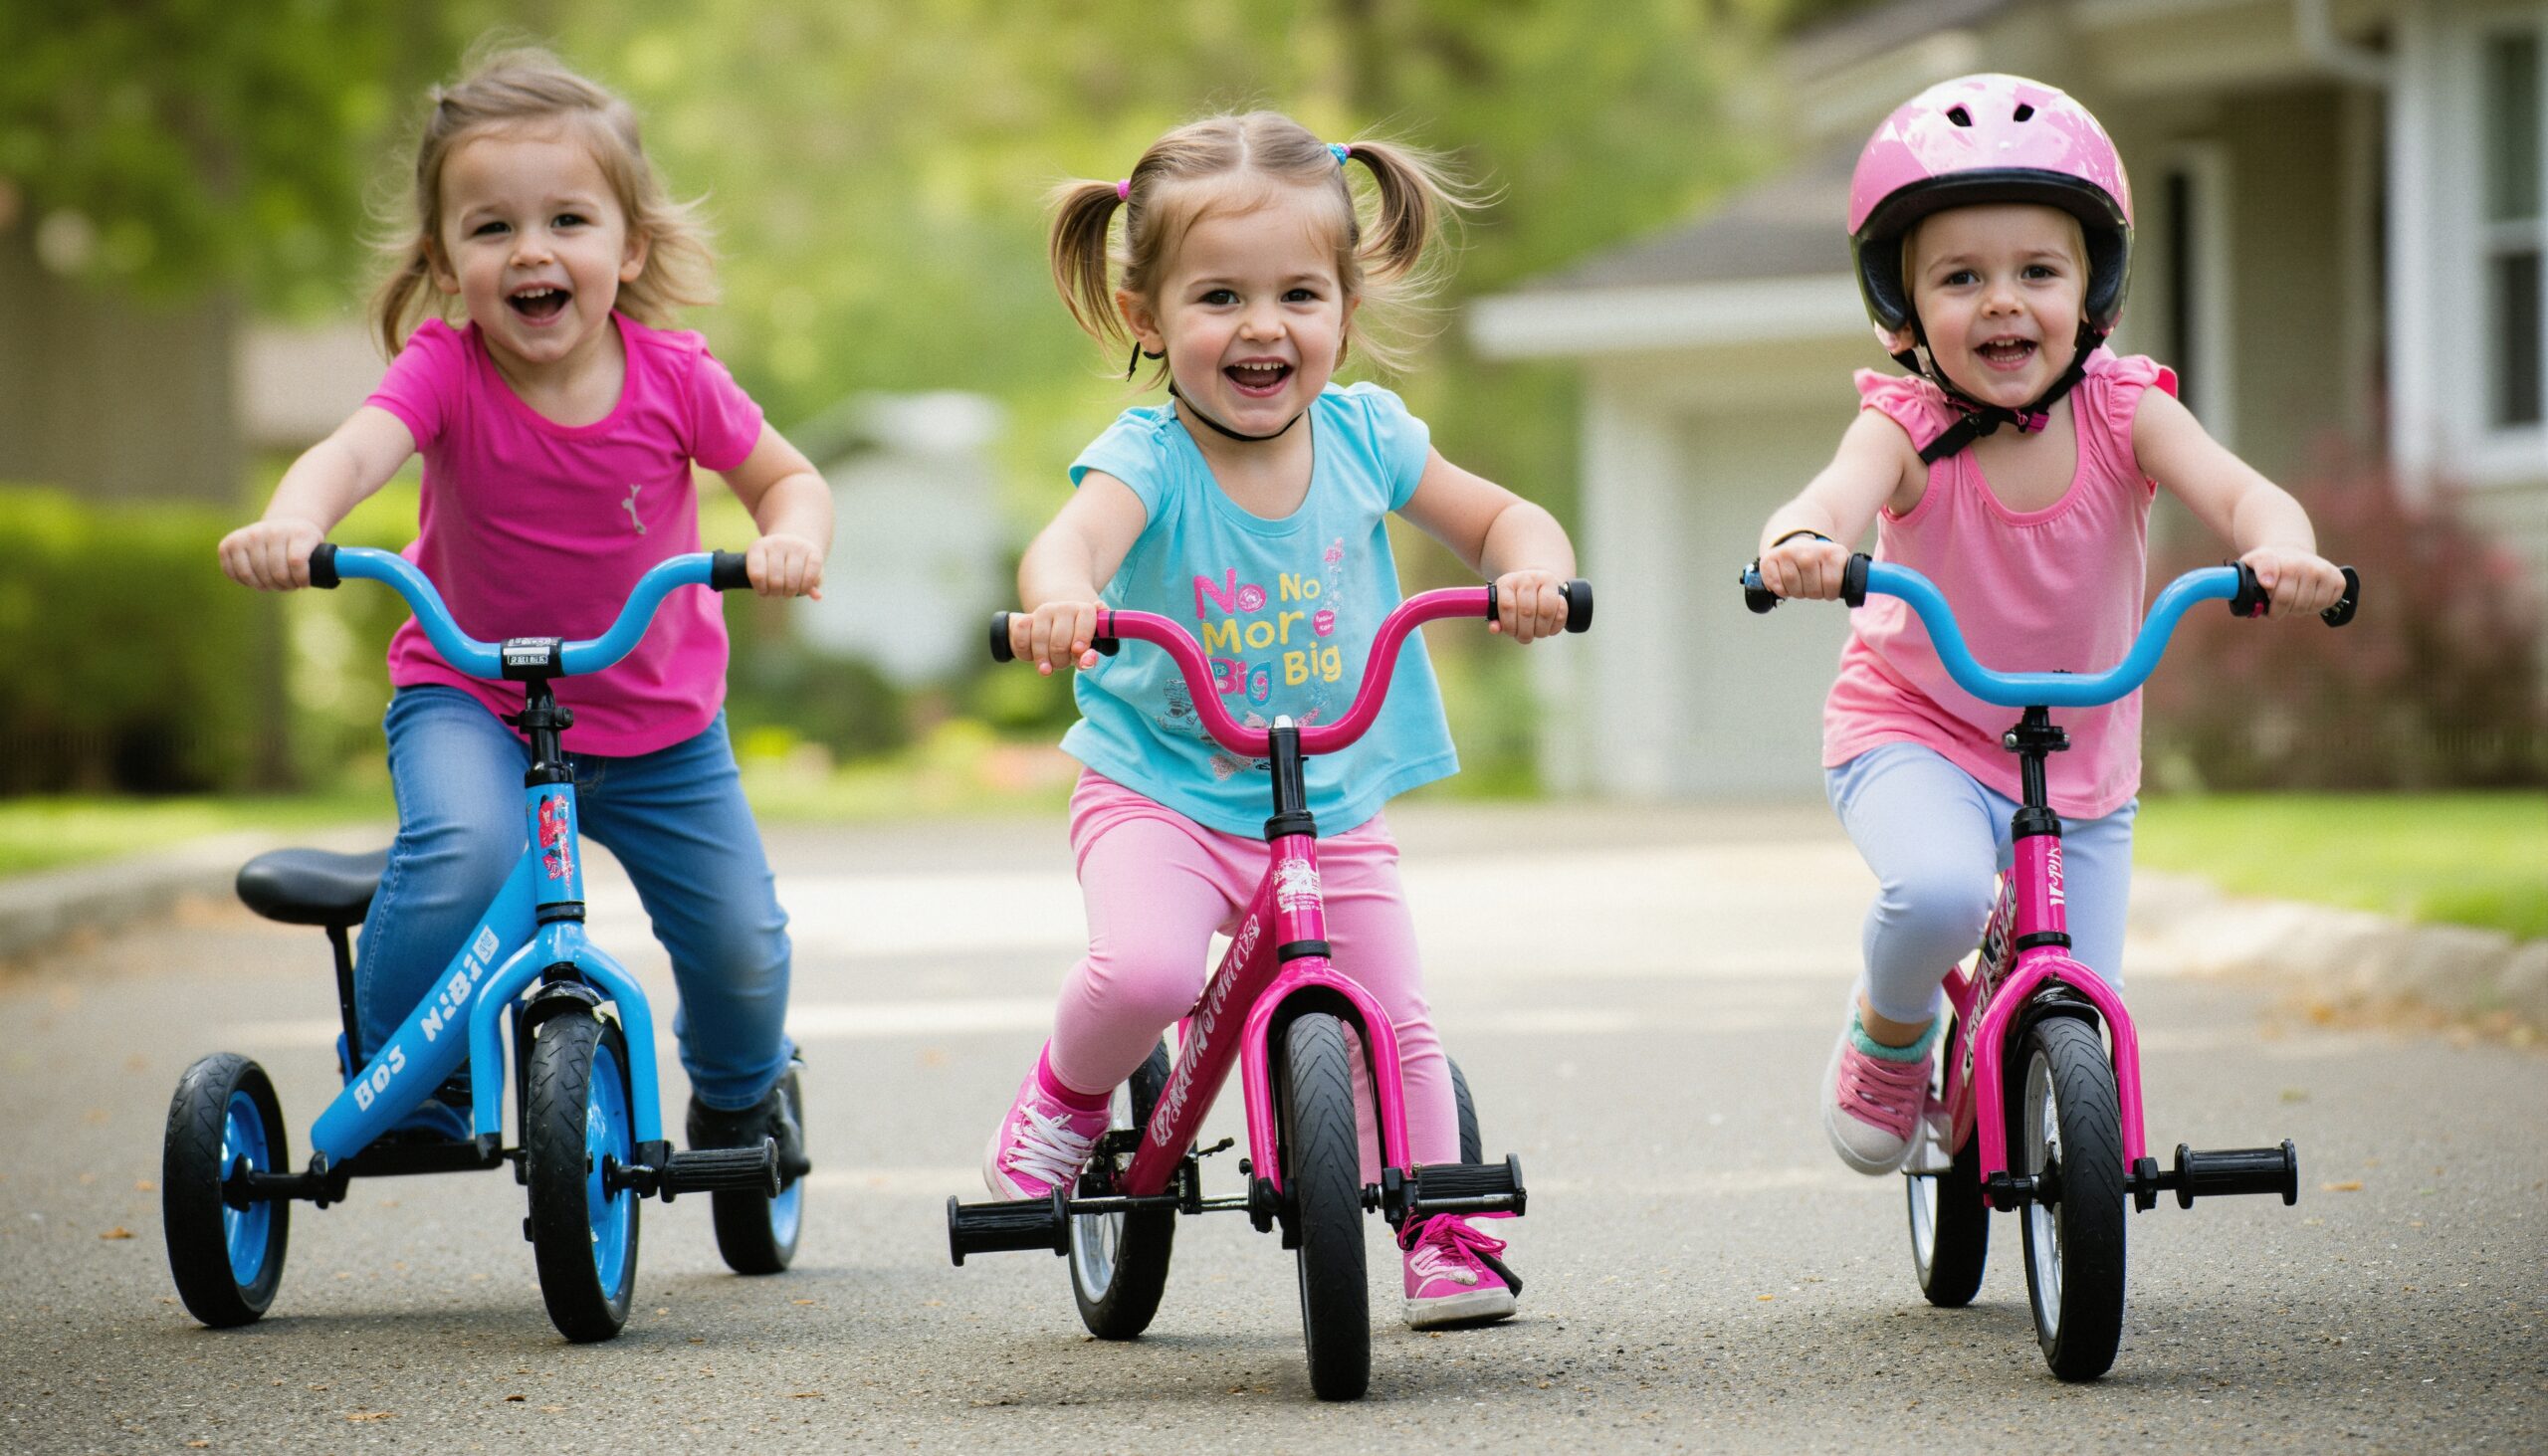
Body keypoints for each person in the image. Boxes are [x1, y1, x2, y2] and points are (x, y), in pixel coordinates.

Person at [989, 111, 1577, 1328]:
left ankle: (1447, 1230)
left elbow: (1503, 518)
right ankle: (1065, 1100)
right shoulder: (1149, 456)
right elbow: (1072, 541)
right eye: (1219, 297)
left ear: (1344, 314)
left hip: (1330, 799)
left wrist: (1530, 570)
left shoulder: (1368, 437)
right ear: (1149, 316)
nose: (1262, 326)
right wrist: (1060, 600)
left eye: (1298, 294)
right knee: (1147, 970)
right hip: (1160, 788)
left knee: (1398, 1019)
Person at [217, 46, 827, 1174]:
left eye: (568, 220)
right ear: (445, 262)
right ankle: (415, 1074)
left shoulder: (677, 377)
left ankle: (742, 1096)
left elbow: (789, 478)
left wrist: (791, 538)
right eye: (491, 227)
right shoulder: (443, 371)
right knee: (466, 848)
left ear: (628, 247)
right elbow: (351, 451)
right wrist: (294, 519)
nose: (532, 250)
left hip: (658, 723)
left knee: (742, 938)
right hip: (472, 697)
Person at [1751, 74, 2349, 1175]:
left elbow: (2245, 495)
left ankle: (2077, 1171)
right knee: (1938, 895)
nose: (2002, 302)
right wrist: (1800, 540)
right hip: (1917, 729)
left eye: (2037, 271)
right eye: (1960, 277)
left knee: (2088, 995)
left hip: (2082, 760)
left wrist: (2283, 550)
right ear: (1901, 304)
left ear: (2093, 288)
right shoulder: (1903, 425)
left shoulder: (2128, 410)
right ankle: (1890, 1031)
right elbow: (1830, 497)